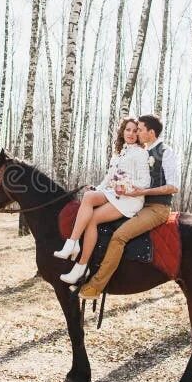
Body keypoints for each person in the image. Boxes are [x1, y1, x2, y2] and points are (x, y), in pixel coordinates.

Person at [78, 114, 179, 300]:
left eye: (140, 129)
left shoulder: (166, 152)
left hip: (157, 208)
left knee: (119, 237)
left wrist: (142, 192)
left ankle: (96, 286)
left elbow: (174, 186)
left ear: (151, 132)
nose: (137, 132)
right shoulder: (140, 151)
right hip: (136, 204)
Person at [54, 117, 151, 284]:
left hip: (130, 200)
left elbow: (145, 182)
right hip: (114, 194)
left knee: (88, 199)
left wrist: (126, 186)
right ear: (122, 131)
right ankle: (81, 266)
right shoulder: (120, 153)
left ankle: (72, 244)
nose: (131, 133)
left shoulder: (141, 153)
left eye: (135, 131)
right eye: (128, 129)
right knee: (90, 215)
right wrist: (97, 189)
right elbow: (108, 178)